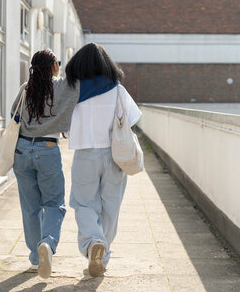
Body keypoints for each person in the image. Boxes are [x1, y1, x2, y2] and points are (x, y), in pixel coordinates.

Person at [10, 49, 116, 279]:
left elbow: (14, 116)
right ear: (54, 67)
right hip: (47, 150)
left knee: (30, 208)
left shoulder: (25, 88)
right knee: (53, 204)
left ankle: (36, 258)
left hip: (21, 151)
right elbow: (99, 86)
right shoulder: (65, 87)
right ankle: (47, 243)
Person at [65, 42, 142, 277]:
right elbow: (132, 120)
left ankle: (93, 243)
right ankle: (102, 256)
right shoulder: (118, 90)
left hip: (85, 153)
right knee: (111, 207)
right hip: (114, 155)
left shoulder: (73, 90)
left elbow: (63, 125)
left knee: (84, 203)